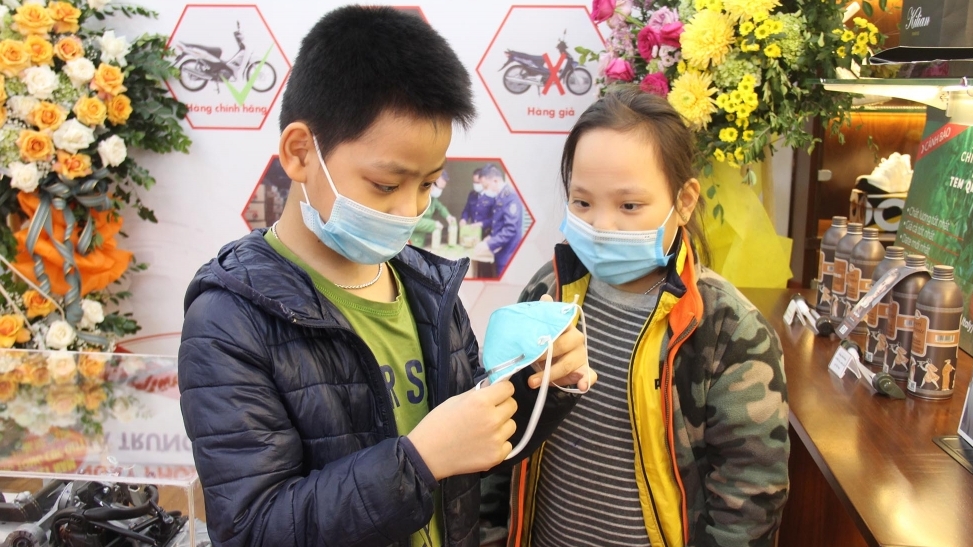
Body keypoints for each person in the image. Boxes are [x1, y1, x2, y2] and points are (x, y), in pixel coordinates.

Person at [177, 7, 594, 547]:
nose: (409, 210)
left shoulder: (427, 286)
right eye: (385, 184)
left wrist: (540, 383)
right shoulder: (230, 320)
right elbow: (254, 529)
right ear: (301, 153)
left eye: (427, 185)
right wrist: (419, 460)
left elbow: (473, 450)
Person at [507, 86, 789, 547]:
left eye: (629, 206)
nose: (601, 225)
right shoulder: (547, 292)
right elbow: (505, 430)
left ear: (684, 201)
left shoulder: (727, 329)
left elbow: (750, 494)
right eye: (582, 202)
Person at [473, 164, 524, 276]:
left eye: (486, 186)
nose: (485, 190)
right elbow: (499, 222)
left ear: (495, 181)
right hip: (501, 252)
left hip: (508, 255)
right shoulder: (500, 196)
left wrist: (489, 244)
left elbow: (510, 229)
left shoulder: (510, 197)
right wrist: (491, 237)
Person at [413, 170, 455, 248]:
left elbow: (440, 207)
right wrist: (434, 225)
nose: (440, 191)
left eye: (442, 189)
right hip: (410, 240)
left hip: (420, 239)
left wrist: (448, 216)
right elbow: (413, 222)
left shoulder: (431, 197)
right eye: (439, 188)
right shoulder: (416, 197)